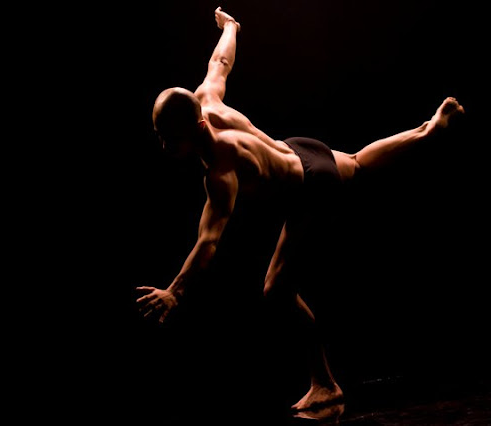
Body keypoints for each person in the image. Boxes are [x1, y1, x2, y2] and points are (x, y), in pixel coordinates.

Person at [136, 6, 465, 412]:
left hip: (310, 188)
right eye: (160, 136)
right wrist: (231, 28)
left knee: (276, 290)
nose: (164, 146)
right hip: (300, 150)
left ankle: (325, 385)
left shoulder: (220, 169)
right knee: (359, 162)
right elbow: (219, 63)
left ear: (195, 128)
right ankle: (429, 129)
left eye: (170, 139)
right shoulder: (206, 99)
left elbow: (209, 242)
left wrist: (175, 291)